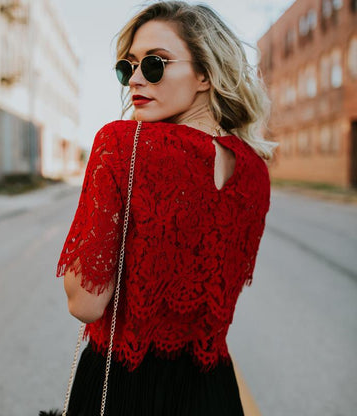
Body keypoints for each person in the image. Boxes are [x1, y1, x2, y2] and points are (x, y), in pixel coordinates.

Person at [56, 1, 277, 415]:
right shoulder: (254, 170)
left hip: (124, 389)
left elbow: (85, 303)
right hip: (214, 392)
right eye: (128, 66)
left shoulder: (123, 144)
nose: (135, 79)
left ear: (205, 74)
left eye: (154, 64)